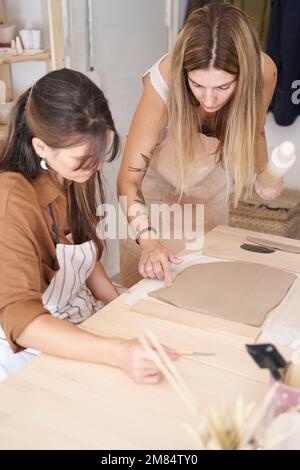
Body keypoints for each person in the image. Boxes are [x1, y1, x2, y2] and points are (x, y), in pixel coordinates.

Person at [0, 68, 177, 383]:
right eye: (83, 159)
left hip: (78, 315)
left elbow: (84, 255)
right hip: (34, 342)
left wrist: (121, 307)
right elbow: (22, 320)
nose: (95, 167)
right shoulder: (11, 199)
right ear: (41, 147)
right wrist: (117, 352)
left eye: (99, 154)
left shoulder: (72, 174)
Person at [117, 3, 282, 289]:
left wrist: (262, 171)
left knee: (209, 287)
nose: (208, 100)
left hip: (210, 193)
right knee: (147, 298)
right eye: (197, 85)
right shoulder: (162, 85)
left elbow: (254, 127)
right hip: (155, 202)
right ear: (184, 75)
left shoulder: (264, 72)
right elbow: (128, 182)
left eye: (223, 88)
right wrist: (149, 242)